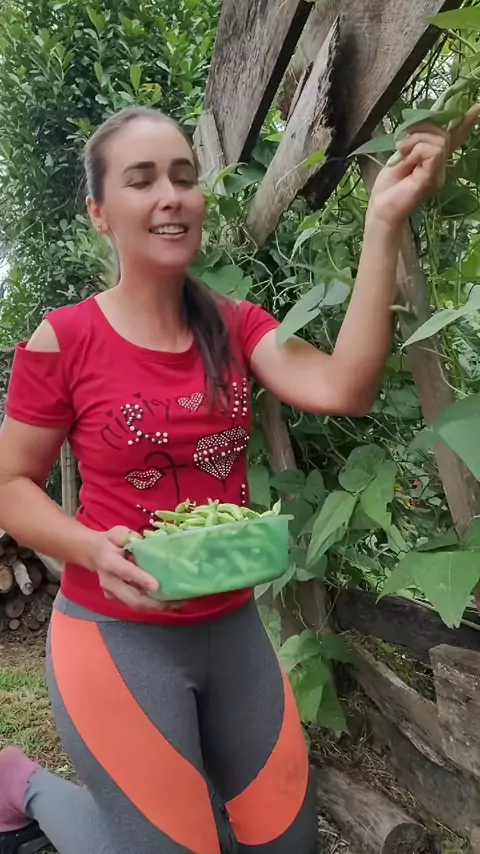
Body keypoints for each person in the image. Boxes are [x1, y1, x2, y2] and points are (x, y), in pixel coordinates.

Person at [0, 104, 476, 854]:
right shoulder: (65, 339)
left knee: (288, 846)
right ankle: (23, 785)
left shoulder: (236, 324)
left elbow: (345, 387)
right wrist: (89, 548)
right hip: (116, 635)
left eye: (184, 177)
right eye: (141, 180)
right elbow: (11, 486)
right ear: (99, 212)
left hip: (231, 628)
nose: (171, 196)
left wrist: (383, 220)